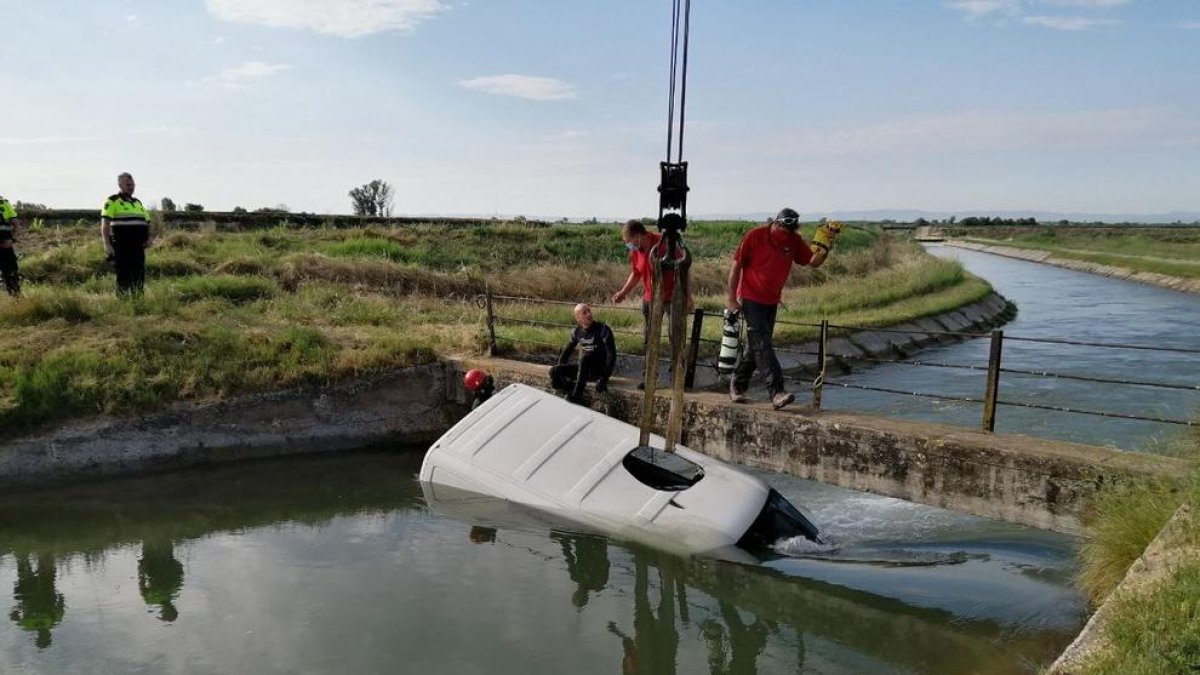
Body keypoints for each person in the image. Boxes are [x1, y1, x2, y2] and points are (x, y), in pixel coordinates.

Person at [726, 208, 841, 409]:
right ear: (776, 223)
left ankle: (738, 383)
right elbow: (736, 266)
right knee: (762, 345)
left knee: (758, 347)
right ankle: (777, 392)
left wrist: (826, 243)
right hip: (750, 298)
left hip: (771, 301)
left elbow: (813, 262)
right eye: (784, 230)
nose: (787, 235)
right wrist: (731, 300)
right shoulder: (755, 236)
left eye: (791, 231)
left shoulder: (793, 240)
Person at [611, 219, 693, 346]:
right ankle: (650, 365)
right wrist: (623, 292)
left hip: (673, 297)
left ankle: (677, 365)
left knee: (676, 336)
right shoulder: (635, 250)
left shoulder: (665, 243)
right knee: (650, 337)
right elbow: (636, 273)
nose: (627, 244)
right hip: (651, 298)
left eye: (628, 241)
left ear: (638, 236)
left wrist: (688, 297)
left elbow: (684, 270)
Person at [549, 303, 617, 404]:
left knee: (585, 358)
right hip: (583, 370)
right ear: (578, 318)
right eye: (584, 313)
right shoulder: (576, 332)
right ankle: (572, 388)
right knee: (554, 371)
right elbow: (566, 352)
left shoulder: (602, 329)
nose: (589, 314)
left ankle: (577, 396)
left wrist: (604, 378)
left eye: (589, 311)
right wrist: (560, 370)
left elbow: (612, 354)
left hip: (598, 370)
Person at [100, 172, 154, 296]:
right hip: (121, 245)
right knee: (123, 275)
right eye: (128, 184)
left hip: (138, 246)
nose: (131, 186)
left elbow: (148, 222)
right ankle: (123, 303)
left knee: (139, 274)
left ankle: (138, 301)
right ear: (120, 185)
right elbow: (105, 224)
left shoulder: (137, 203)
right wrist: (107, 244)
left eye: (133, 184)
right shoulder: (112, 201)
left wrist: (149, 238)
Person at [0, 195, 22, 297]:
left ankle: (16, 301)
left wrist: (12, 240)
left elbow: (16, 225)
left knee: (12, 275)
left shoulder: (4, 203)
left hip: (5, 246)